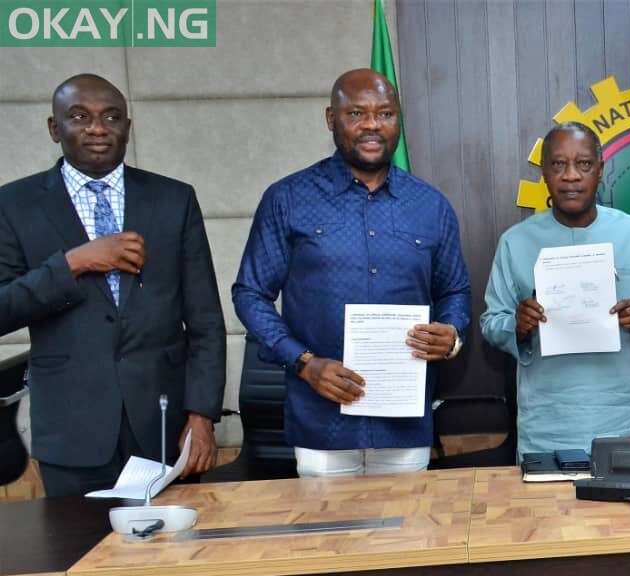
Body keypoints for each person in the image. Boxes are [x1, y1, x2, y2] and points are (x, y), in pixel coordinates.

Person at [233, 69, 470, 478]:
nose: (372, 125)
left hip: (405, 425)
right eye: (356, 113)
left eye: (385, 113)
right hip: (322, 423)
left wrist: (451, 333)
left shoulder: (431, 205)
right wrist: (305, 363)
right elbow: (250, 293)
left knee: (408, 539)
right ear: (331, 119)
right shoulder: (288, 199)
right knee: (328, 540)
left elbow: (455, 292)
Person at [0, 74, 226, 496]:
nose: (97, 128)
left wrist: (202, 416)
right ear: (54, 128)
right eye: (79, 117)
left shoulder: (173, 199)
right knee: (80, 556)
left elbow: (206, 322)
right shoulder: (14, 204)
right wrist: (71, 264)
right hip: (72, 431)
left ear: (127, 126)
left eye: (111, 117)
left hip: (164, 428)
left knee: (173, 556)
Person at [480, 122, 630, 456]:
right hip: (549, 424)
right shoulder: (516, 242)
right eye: (558, 165)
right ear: (544, 172)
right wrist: (517, 325)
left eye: (583, 165)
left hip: (624, 417)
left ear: (600, 170)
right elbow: (491, 322)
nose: (571, 176)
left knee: (627, 509)